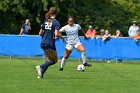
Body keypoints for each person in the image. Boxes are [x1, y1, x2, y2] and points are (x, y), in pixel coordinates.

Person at [36, 7, 61, 79]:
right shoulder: (56, 22)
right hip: (50, 43)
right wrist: (61, 37)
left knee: (49, 60)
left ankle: (40, 75)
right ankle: (40, 66)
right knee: (54, 61)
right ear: (56, 13)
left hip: (43, 42)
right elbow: (56, 34)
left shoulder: (46, 21)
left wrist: (45, 37)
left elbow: (40, 33)